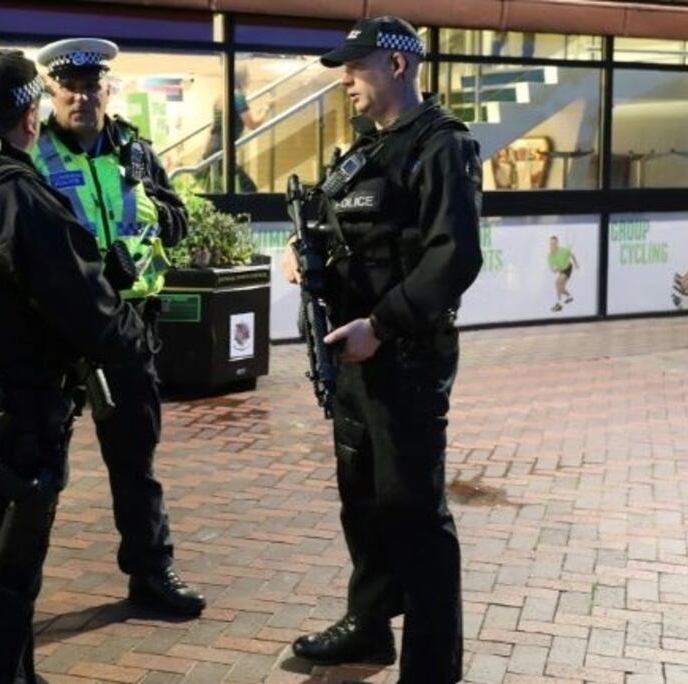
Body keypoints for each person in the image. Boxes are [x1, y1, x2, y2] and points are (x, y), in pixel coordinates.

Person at [0, 49, 150, 683]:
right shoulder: (13, 194)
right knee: (1, 580)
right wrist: (130, 339)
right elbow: (89, 312)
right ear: (30, 115)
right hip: (5, 422)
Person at [280, 16, 482, 684]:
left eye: (357, 67)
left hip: (405, 361)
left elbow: (454, 259)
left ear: (397, 65)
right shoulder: (365, 149)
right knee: (362, 502)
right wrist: (304, 258)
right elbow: (347, 238)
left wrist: (382, 325)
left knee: (415, 517)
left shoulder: (442, 147)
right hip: (352, 360)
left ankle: (433, 669)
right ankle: (367, 629)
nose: (346, 81)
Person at [31, 38, 204, 617]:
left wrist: (152, 218)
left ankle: (151, 574)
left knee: (135, 461)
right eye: (69, 87)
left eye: (91, 86)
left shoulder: (134, 149)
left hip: (127, 326)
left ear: (107, 89)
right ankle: (14, 587)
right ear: (51, 92)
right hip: (53, 331)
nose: (81, 97)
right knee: (34, 463)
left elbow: (175, 221)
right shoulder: (29, 154)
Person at [203, 64, 265, 192]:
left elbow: (212, 128)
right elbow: (253, 124)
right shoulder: (238, 96)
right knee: (249, 188)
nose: (250, 79)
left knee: (222, 189)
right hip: (223, 150)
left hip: (214, 149)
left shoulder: (221, 97)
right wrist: (266, 108)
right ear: (242, 78)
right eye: (248, 76)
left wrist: (205, 153)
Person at [547, 235, 578, 312]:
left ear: (557, 244)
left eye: (554, 243)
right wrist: (555, 270)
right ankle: (569, 297)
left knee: (557, 283)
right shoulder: (549, 256)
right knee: (561, 288)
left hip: (568, 268)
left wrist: (576, 264)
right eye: (551, 243)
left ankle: (559, 304)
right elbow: (552, 269)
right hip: (561, 270)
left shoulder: (563, 250)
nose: (552, 245)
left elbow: (572, 255)